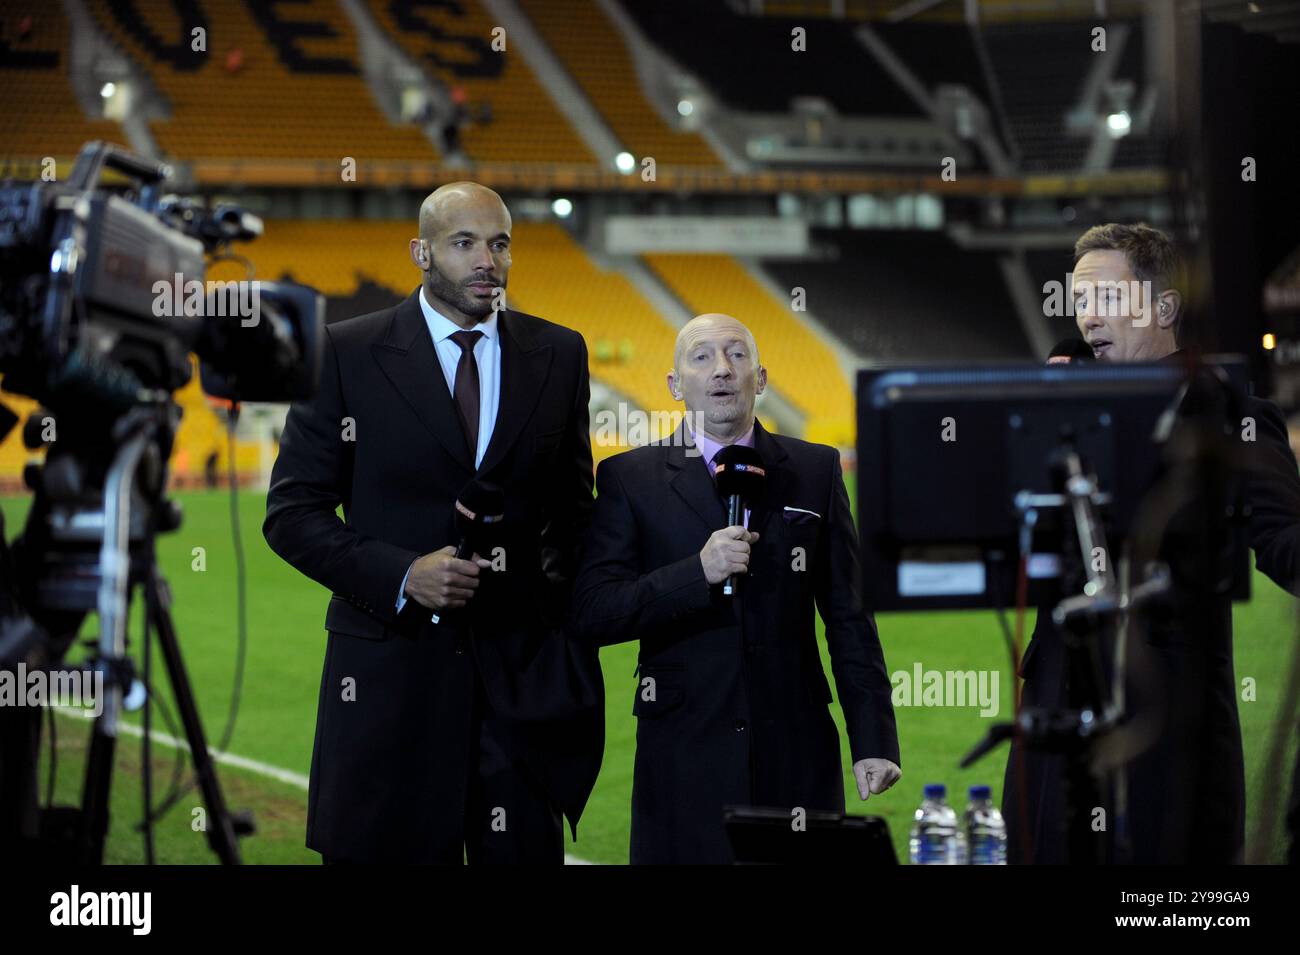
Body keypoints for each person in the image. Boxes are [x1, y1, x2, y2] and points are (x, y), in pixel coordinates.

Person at [263, 182, 602, 864]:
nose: (488, 260)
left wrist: (558, 630)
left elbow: (573, 511)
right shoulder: (346, 353)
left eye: (500, 243)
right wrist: (401, 573)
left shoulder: (559, 353)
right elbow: (292, 514)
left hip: (521, 693)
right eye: (465, 242)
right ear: (421, 251)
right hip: (391, 685)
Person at [1003, 222, 1300, 863]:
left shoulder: (1229, 413)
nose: (1087, 320)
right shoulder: (1058, 410)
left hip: (1169, 723)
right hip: (1056, 714)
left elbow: (1282, 537)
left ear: (1164, 308)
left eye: (1107, 299)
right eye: (1080, 302)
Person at [572, 313, 901, 864]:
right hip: (682, 756)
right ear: (676, 386)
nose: (721, 369)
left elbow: (849, 616)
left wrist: (872, 740)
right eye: (701, 357)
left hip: (797, 752)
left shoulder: (816, 470)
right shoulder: (629, 478)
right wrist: (693, 574)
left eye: (737, 355)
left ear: (762, 378)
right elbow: (594, 612)